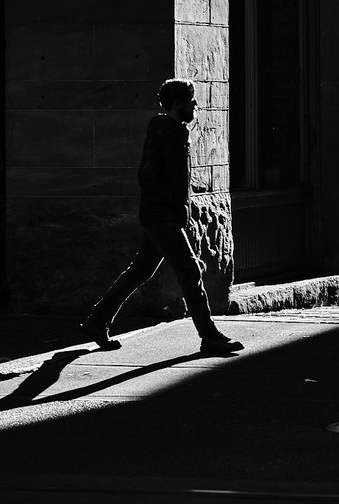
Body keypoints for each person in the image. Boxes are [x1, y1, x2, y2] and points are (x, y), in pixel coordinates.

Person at [80, 78, 243, 355]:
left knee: (141, 270)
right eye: (191, 101)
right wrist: (175, 211)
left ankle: (98, 320)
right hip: (162, 216)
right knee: (190, 272)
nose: (195, 105)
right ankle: (209, 336)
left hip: (160, 214)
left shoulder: (170, 131)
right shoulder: (167, 133)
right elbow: (156, 178)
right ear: (177, 104)